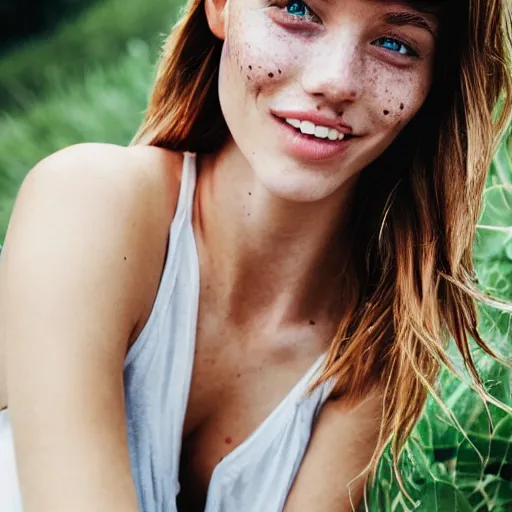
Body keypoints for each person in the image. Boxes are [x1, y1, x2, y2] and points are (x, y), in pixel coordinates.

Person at [0, 0, 511, 510]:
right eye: (296, 8)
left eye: (396, 44)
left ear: (432, 84)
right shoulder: (88, 203)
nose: (335, 81)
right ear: (220, 7)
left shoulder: (373, 347)